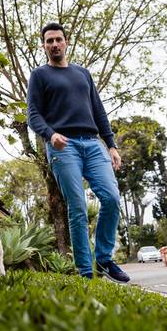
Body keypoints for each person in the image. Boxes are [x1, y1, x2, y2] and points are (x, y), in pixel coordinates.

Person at [26, 22, 129, 283]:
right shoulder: (39, 75)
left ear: (66, 42)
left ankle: (104, 259)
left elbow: (98, 110)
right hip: (63, 147)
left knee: (112, 198)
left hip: (93, 145)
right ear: (44, 45)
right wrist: (50, 134)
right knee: (78, 207)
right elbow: (33, 114)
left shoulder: (83, 74)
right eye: (49, 41)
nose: (54, 45)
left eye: (58, 39)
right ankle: (86, 272)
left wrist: (111, 144)